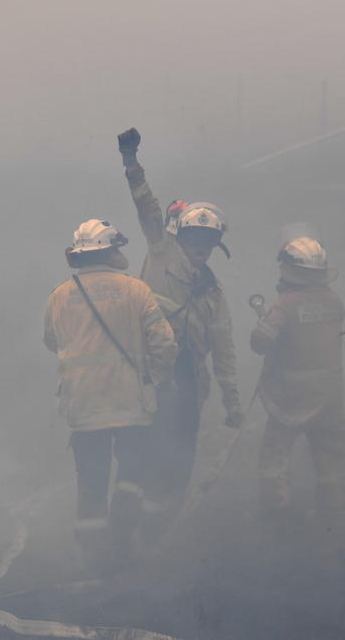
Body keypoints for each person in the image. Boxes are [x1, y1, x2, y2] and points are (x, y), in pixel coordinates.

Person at [117, 128, 243, 533]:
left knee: (179, 460)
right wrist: (131, 163)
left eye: (209, 238)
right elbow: (148, 210)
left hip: (189, 385)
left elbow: (224, 349)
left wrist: (232, 402)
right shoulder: (161, 252)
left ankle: (155, 534)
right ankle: (120, 533)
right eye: (195, 236)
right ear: (181, 236)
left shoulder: (213, 292)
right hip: (147, 377)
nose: (201, 244)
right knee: (139, 456)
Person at [44, 218, 177, 574]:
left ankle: (93, 562)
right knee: (131, 476)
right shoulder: (136, 290)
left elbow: (51, 341)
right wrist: (158, 377)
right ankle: (123, 545)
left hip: (83, 406)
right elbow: (163, 343)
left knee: (90, 484)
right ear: (111, 250)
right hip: (129, 402)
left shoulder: (59, 294)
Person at [250, 237, 345, 527]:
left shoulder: (285, 305)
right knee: (331, 453)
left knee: (275, 451)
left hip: (291, 395)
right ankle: (333, 508)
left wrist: (264, 323)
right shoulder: (334, 301)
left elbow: (260, 343)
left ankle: (276, 510)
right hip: (331, 394)